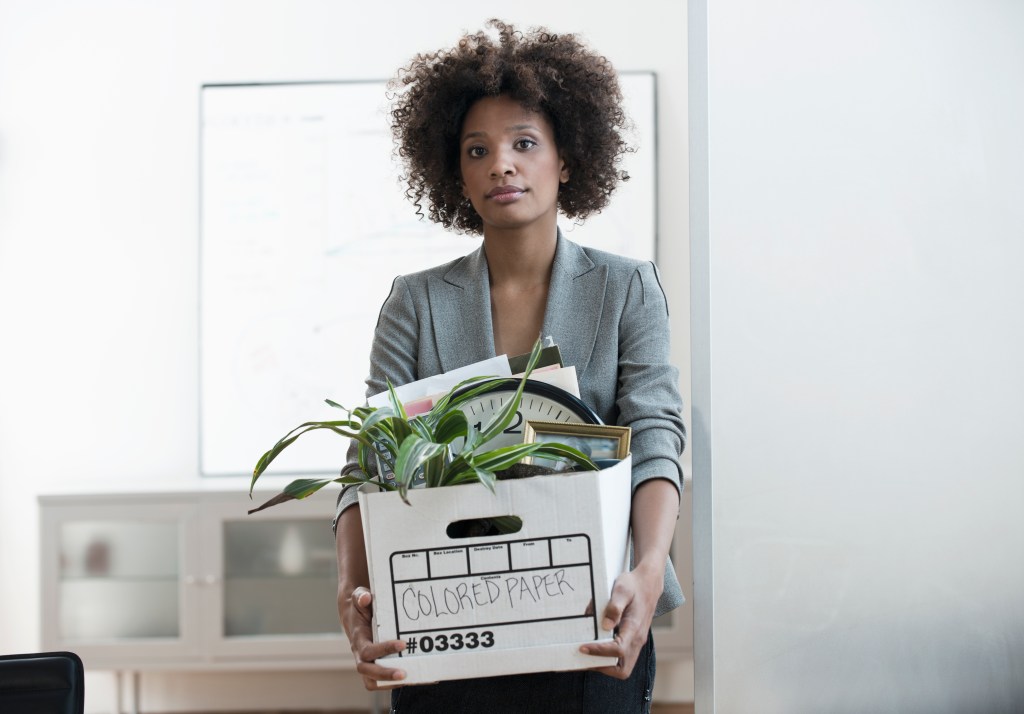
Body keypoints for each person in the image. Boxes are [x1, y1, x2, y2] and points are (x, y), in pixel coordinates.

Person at [332, 19, 686, 713]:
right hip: (444, 620)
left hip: (593, 618)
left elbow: (655, 440)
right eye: (477, 150)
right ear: (455, 174)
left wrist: (646, 573)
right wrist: (352, 591)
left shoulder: (627, 289)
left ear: (568, 160)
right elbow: (368, 460)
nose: (502, 164)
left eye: (525, 143)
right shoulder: (416, 302)